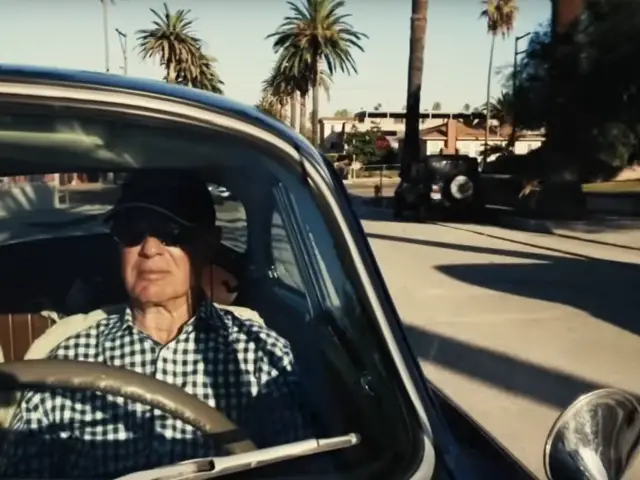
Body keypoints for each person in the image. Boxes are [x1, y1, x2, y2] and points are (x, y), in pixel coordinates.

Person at [0, 171, 313, 478]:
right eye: (132, 231)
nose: (149, 249)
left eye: (172, 231)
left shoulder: (262, 357)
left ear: (209, 244)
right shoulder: (66, 363)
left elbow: (299, 470)